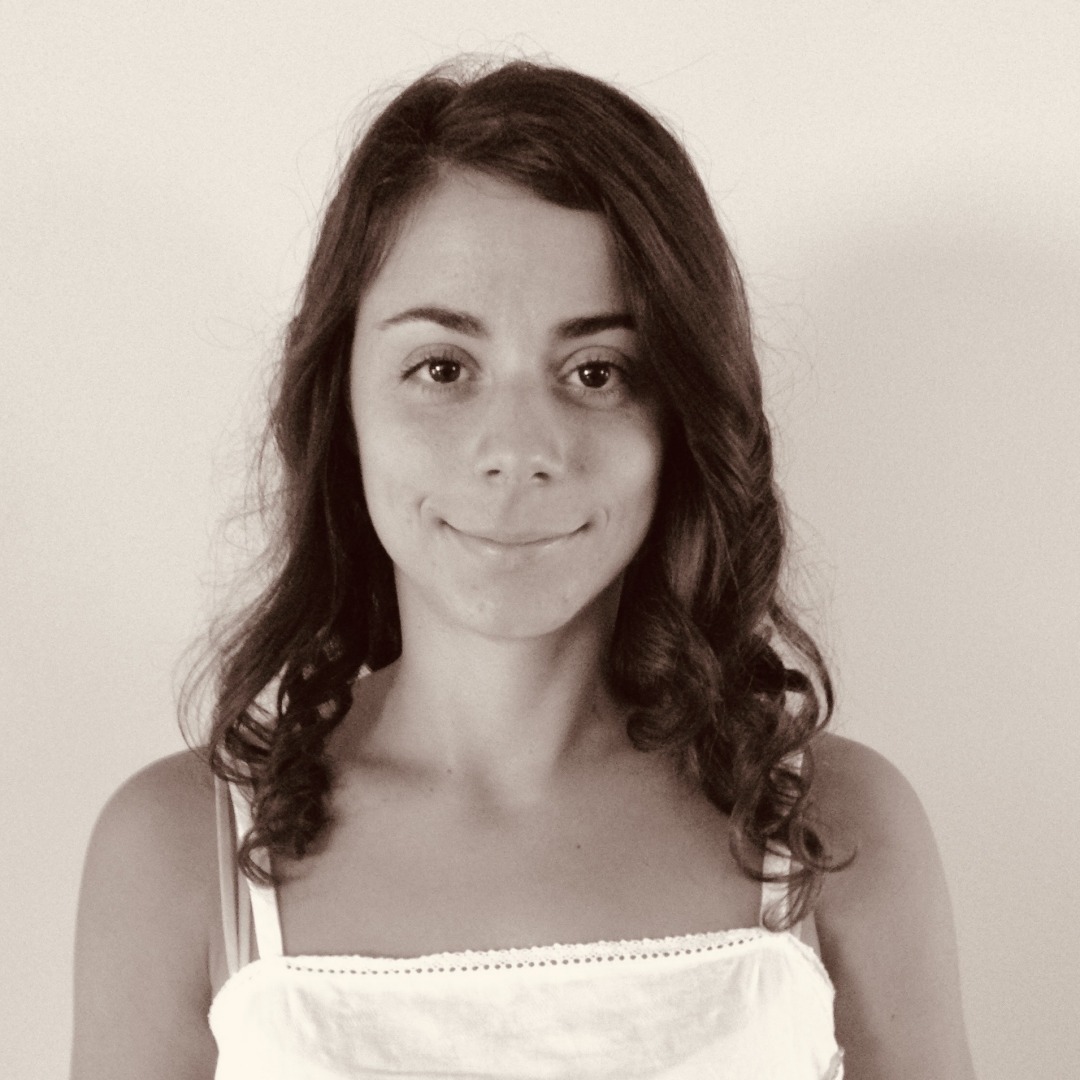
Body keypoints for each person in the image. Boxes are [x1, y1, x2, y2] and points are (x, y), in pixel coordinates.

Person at [70, 58, 976, 1079]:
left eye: (596, 371)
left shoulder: (836, 828)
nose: (518, 448)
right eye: (442, 368)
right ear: (342, 403)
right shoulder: (176, 855)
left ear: (682, 419)